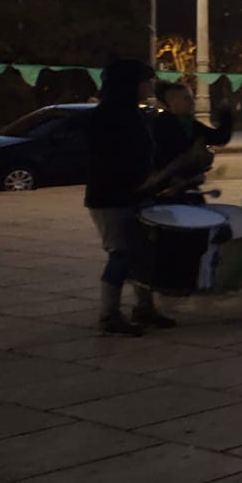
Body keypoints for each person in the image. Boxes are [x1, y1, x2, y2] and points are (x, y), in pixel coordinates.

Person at [85, 59, 167, 336]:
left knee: (141, 255)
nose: (150, 85)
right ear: (130, 84)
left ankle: (144, 308)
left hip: (135, 194)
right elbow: (107, 160)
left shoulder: (131, 112)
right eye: (147, 80)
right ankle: (109, 315)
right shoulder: (108, 115)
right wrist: (138, 179)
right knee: (120, 254)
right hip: (111, 198)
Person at [148, 80, 234, 201]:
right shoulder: (160, 125)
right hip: (168, 192)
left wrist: (225, 116)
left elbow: (219, 138)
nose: (192, 102)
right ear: (172, 102)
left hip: (185, 188)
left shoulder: (189, 123)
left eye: (191, 98)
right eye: (186, 99)